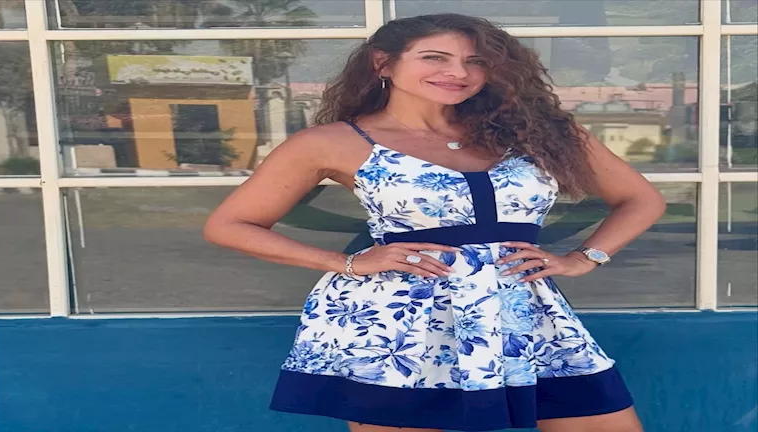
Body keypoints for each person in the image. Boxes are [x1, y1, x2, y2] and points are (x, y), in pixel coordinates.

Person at [204, 13, 664, 432]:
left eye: (475, 61)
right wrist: (349, 263)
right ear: (384, 63)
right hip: (399, 324)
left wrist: (585, 257)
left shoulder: (538, 132)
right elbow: (231, 224)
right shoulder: (333, 142)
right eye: (435, 57)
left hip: (527, 316)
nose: (458, 72)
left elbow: (640, 200)